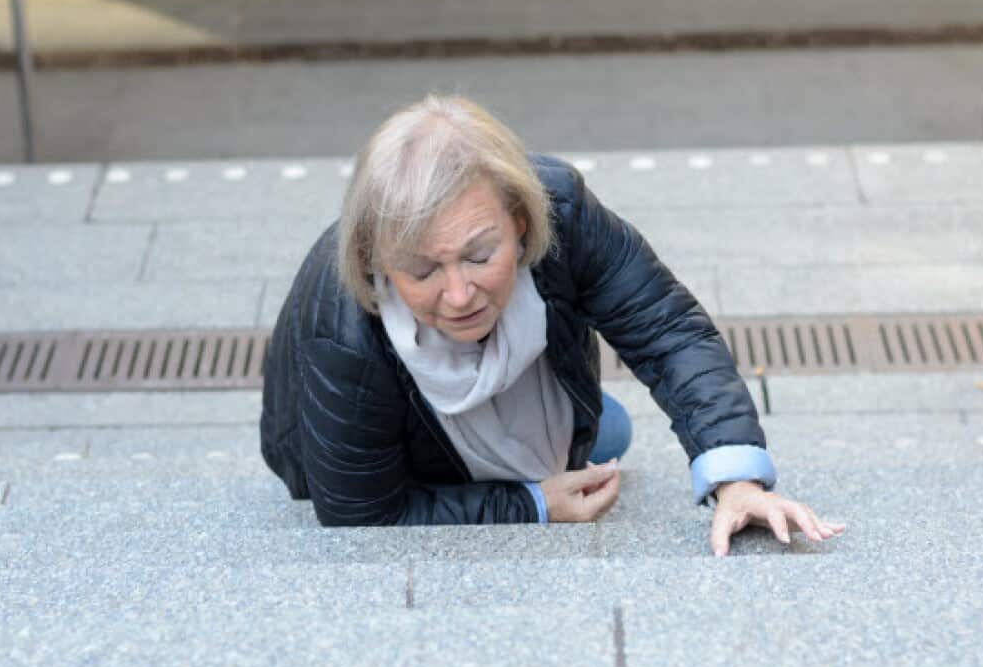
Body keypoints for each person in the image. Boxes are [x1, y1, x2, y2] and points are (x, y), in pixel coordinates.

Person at [260, 94, 845, 556]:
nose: (459, 295)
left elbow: (667, 330)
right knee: (595, 442)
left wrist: (735, 478)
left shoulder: (560, 208)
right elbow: (361, 514)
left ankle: (550, 439)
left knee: (608, 434)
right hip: (384, 447)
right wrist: (533, 504)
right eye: (422, 270)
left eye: (480, 255)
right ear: (377, 259)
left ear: (519, 221)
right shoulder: (340, 330)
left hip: (520, 406)